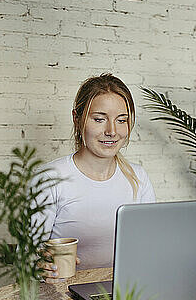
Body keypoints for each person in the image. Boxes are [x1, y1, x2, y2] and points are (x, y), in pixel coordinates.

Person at [38, 74, 156, 283]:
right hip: (63, 298)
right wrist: (40, 265)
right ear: (77, 118)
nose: (112, 131)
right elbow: (25, 255)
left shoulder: (138, 178)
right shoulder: (49, 178)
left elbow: (150, 247)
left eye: (121, 120)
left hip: (125, 295)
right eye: (99, 119)